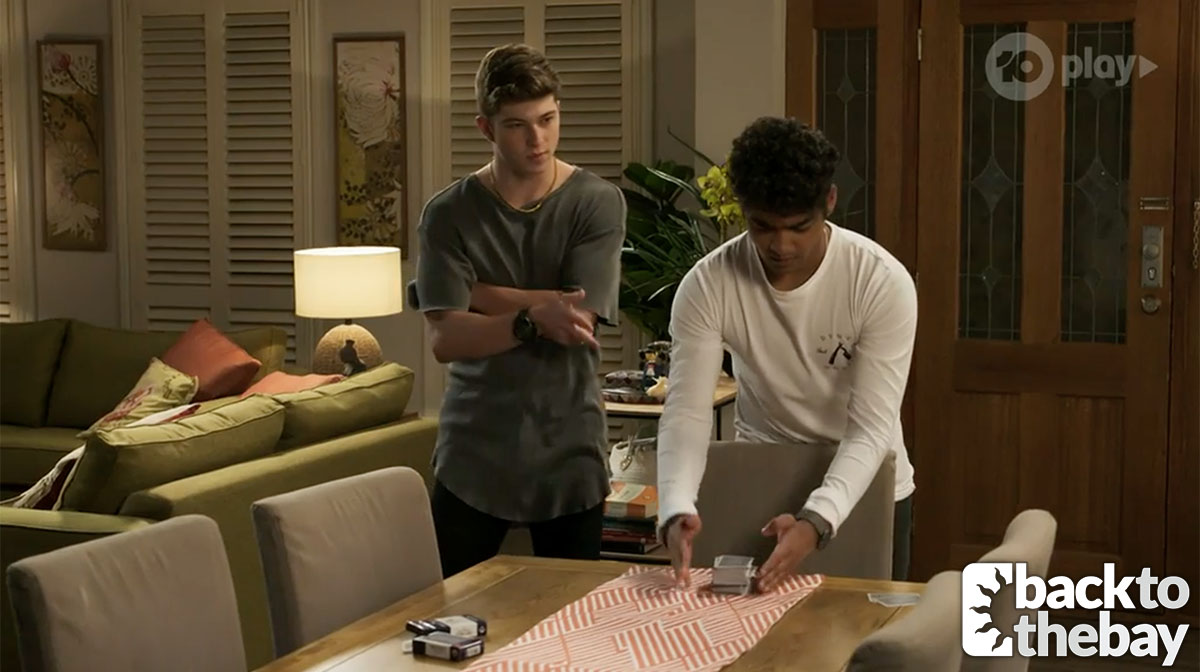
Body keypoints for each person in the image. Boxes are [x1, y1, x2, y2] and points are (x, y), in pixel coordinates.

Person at [655, 117, 918, 589]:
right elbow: (687, 412)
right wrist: (675, 504)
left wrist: (817, 520)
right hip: (762, 474)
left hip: (865, 483)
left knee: (864, 633)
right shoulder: (708, 284)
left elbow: (870, 427)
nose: (781, 246)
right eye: (763, 226)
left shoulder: (880, 281)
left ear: (829, 201)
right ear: (743, 209)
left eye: (799, 227)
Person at [414, 43, 626, 578]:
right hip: (473, 453)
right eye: (517, 126)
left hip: (569, 448)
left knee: (570, 617)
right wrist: (532, 318)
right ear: (486, 128)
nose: (538, 140)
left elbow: (578, 319)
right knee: (452, 616)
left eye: (547, 120)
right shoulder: (448, 213)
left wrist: (478, 293)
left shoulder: (596, 202)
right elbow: (446, 340)